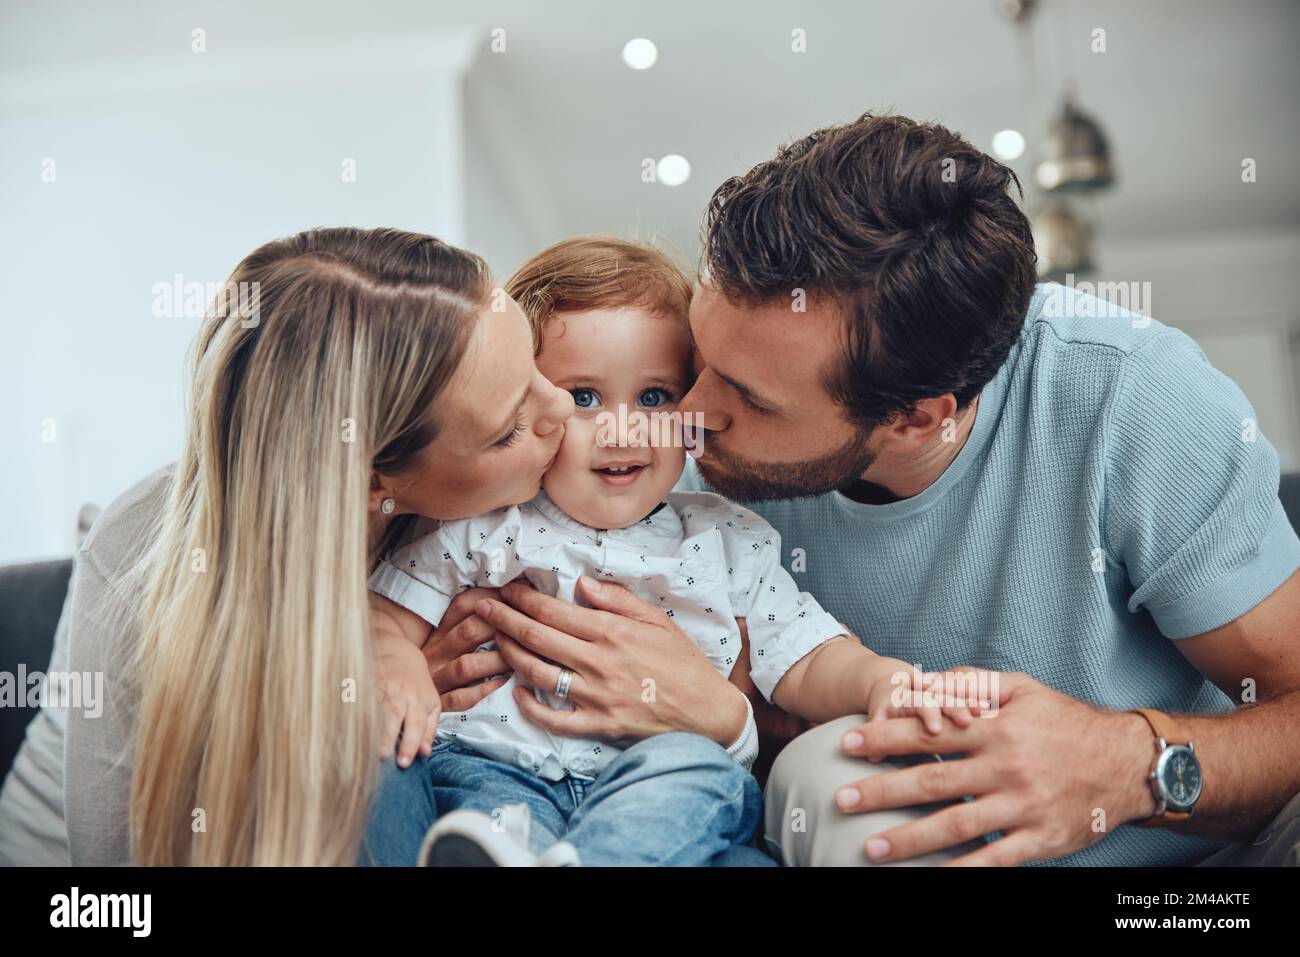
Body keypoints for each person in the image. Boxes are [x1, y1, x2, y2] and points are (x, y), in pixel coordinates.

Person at [482, 112, 1300, 867]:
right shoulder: (657, 446)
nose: (685, 420)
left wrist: (1132, 763)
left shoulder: (1134, 400)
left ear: (915, 419)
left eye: (750, 398)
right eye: (695, 364)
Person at [368, 237, 973, 865]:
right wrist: (400, 667)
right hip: (500, 766)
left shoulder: (728, 538)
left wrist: (883, 680)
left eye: (654, 397)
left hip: (662, 780)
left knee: (696, 766)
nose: (623, 428)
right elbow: (387, 617)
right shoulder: (485, 524)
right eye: (583, 397)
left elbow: (808, 656)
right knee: (470, 800)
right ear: (532, 406)